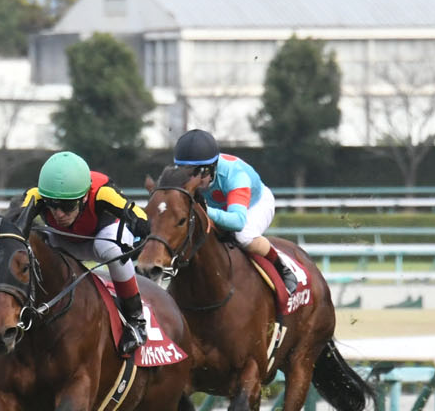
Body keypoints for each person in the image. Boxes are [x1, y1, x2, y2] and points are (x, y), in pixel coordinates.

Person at [19, 151, 151, 355]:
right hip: (64, 241)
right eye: (51, 204)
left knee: (109, 250)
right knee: (37, 245)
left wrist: (140, 237)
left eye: (67, 205)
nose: (58, 214)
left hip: (103, 237)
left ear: (85, 196)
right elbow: (14, 225)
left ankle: (136, 320)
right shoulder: (35, 195)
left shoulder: (103, 193)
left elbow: (140, 217)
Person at [167, 128, 302, 289]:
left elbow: (237, 221)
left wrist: (204, 210)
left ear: (213, 167)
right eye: (186, 172)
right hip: (217, 206)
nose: (193, 180)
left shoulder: (235, 175)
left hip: (254, 204)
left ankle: (281, 267)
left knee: (243, 236)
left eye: (200, 172)